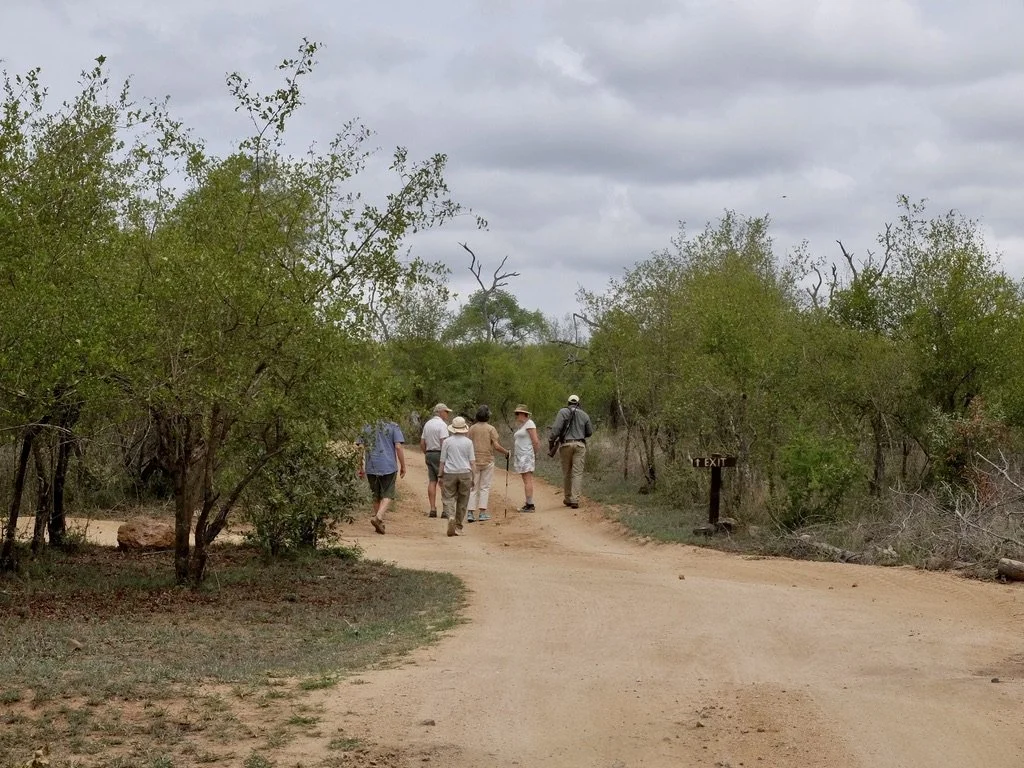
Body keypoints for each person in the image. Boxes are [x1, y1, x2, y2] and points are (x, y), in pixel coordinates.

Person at [357, 420, 406, 535]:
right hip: (389, 465)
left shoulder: (366, 425)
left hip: (371, 465)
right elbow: (398, 447)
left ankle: (378, 522)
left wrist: (360, 466)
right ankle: (378, 517)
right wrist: (403, 465)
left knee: (375, 494)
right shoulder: (393, 426)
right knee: (388, 493)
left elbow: (360, 448)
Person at [549, 394, 594, 509]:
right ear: (578, 403)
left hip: (566, 445)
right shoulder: (584, 414)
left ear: (568, 402)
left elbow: (556, 430)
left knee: (567, 472)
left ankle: (568, 498)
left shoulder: (563, 412)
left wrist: (551, 442)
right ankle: (575, 499)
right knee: (577, 473)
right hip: (580, 445)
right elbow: (589, 432)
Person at [466, 405, 510, 522]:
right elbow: (496, 446)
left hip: (474, 460)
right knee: (484, 487)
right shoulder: (491, 429)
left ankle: (470, 513)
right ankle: (482, 513)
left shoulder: (472, 428)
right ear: (487, 416)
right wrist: (506, 452)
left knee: (473, 487)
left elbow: (468, 444)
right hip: (487, 460)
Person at [438, 416, 475, 536]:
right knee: (463, 500)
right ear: (464, 428)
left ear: (452, 429)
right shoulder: (469, 442)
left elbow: (442, 461)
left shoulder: (447, 442)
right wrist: (473, 477)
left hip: (450, 472)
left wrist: (440, 475)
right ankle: (458, 526)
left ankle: (450, 516)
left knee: (448, 497)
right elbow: (472, 462)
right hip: (465, 472)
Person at [420, 403, 452, 518]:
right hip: (440, 454)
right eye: (446, 412)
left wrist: (427, 453)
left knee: (432, 481)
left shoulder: (427, 424)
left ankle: (433, 509)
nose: (447, 414)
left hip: (429, 453)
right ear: (440, 412)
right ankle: (445, 510)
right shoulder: (442, 425)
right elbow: (444, 442)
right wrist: (446, 457)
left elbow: (422, 442)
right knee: (443, 481)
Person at [512, 404, 540, 512]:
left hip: (526, 455)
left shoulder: (529, 424)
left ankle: (530, 504)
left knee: (527, 479)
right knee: (525, 479)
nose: (516, 416)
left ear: (523, 414)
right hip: (521, 456)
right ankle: (528, 502)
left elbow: (535, 440)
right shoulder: (523, 425)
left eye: (518, 413)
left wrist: (533, 453)